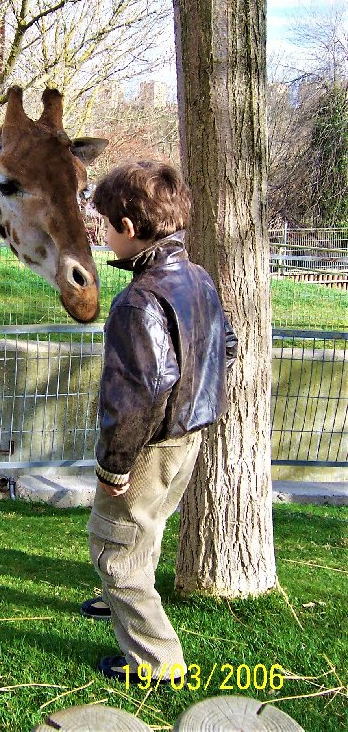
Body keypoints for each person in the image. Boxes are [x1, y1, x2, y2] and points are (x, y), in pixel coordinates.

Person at [81, 160, 237, 685]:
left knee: (114, 548)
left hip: (149, 444)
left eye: (104, 225)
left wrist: (113, 465)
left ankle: (158, 663)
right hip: (190, 434)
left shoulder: (138, 302)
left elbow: (137, 396)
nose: (103, 234)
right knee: (146, 528)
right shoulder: (197, 278)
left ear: (126, 228)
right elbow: (226, 344)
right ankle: (121, 604)